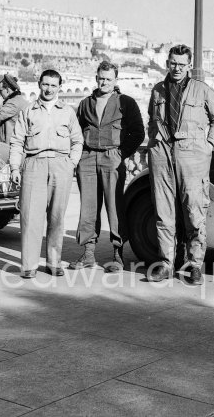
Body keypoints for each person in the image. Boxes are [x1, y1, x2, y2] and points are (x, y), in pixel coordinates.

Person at [147, 45, 214, 285]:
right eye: (173, 63)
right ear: (167, 63)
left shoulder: (202, 90)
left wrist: (208, 144)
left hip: (192, 159)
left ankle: (195, 265)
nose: (177, 68)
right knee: (163, 213)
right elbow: (152, 119)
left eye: (182, 64)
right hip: (162, 157)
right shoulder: (158, 90)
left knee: (194, 211)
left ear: (189, 65)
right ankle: (166, 263)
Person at [69, 61, 144, 273]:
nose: (104, 82)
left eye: (109, 79)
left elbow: (138, 132)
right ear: (96, 78)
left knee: (115, 206)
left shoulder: (125, 102)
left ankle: (117, 255)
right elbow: (75, 132)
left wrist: (121, 154)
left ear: (115, 80)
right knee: (88, 207)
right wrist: (79, 155)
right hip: (88, 158)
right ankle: (88, 253)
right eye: (101, 78)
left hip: (113, 157)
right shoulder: (85, 103)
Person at [9, 70, 83, 279]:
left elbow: (77, 141)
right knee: (31, 217)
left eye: (54, 85)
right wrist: (15, 167)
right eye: (46, 84)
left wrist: (71, 163)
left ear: (60, 87)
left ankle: (53, 262)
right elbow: (16, 141)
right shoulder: (28, 110)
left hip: (62, 166)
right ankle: (29, 265)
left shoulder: (68, 112)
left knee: (57, 217)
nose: (49, 89)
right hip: (34, 165)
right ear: (39, 84)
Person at [0, 74, 29, 143]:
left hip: (11, 145)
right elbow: (5, 122)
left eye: (0, 91)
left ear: (7, 90)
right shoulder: (16, 100)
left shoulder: (13, 103)